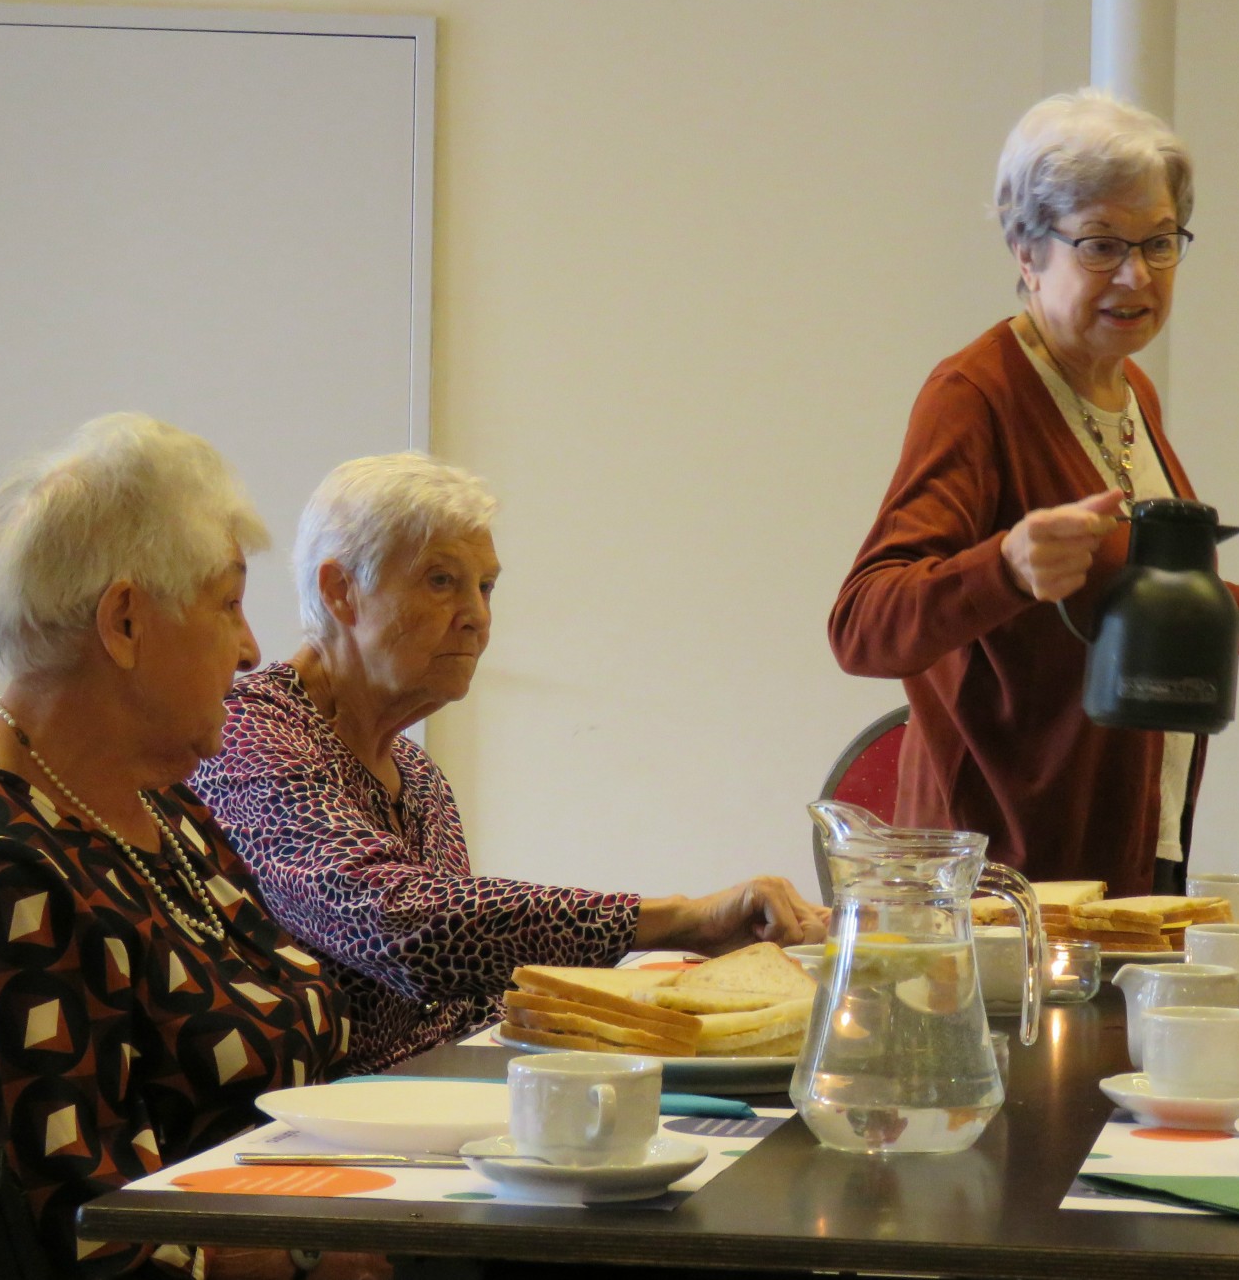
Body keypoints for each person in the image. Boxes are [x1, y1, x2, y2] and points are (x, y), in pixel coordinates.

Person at [829, 88, 1239, 896]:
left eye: (1159, 242)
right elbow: (863, 626)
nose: (1136, 275)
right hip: (1002, 883)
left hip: (1125, 855)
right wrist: (1004, 567)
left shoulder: (1131, 392)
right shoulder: (977, 394)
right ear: (1025, 249)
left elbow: (1125, 605)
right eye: (1101, 245)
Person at [192, 454, 827, 1074]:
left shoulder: (415, 772)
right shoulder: (249, 734)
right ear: (340, 591)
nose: (477, 618)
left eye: (486, 586)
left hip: (430, 1105)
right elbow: (400, 927)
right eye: (442, 581)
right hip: (308, 1136)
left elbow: (466, 993)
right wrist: (675, 921)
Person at [0, 415, 366, 1278]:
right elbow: (71, 1233)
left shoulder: (169, 813)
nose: (252, 647)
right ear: (126, 622)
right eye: (227, 603)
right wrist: (305, 1254)